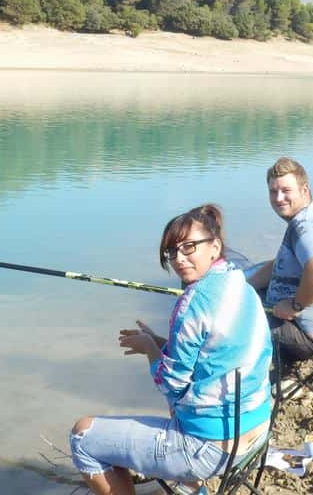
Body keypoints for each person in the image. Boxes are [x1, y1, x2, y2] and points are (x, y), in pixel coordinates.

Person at [70, 204, 273, 495]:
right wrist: (161, 343)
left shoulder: (194, 302)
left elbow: (170, 384)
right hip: (257, 431)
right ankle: (190, 488)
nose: (179, 258)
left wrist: (150, 349)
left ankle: (186, 480)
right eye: (172, 252)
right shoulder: (242, 287)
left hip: (211, 449)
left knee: (83, 436)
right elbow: (214, 356)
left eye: (189, 247)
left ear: (214, 247)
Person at [248, 157, 313, 364]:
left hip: (308, 338)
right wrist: (245, 284)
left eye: (286, 190)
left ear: (304, 190)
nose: (278, 198)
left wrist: (296, 306)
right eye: (273, 191)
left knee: (236, 315)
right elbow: (279, 264)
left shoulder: (305, 227)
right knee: (248, 292)